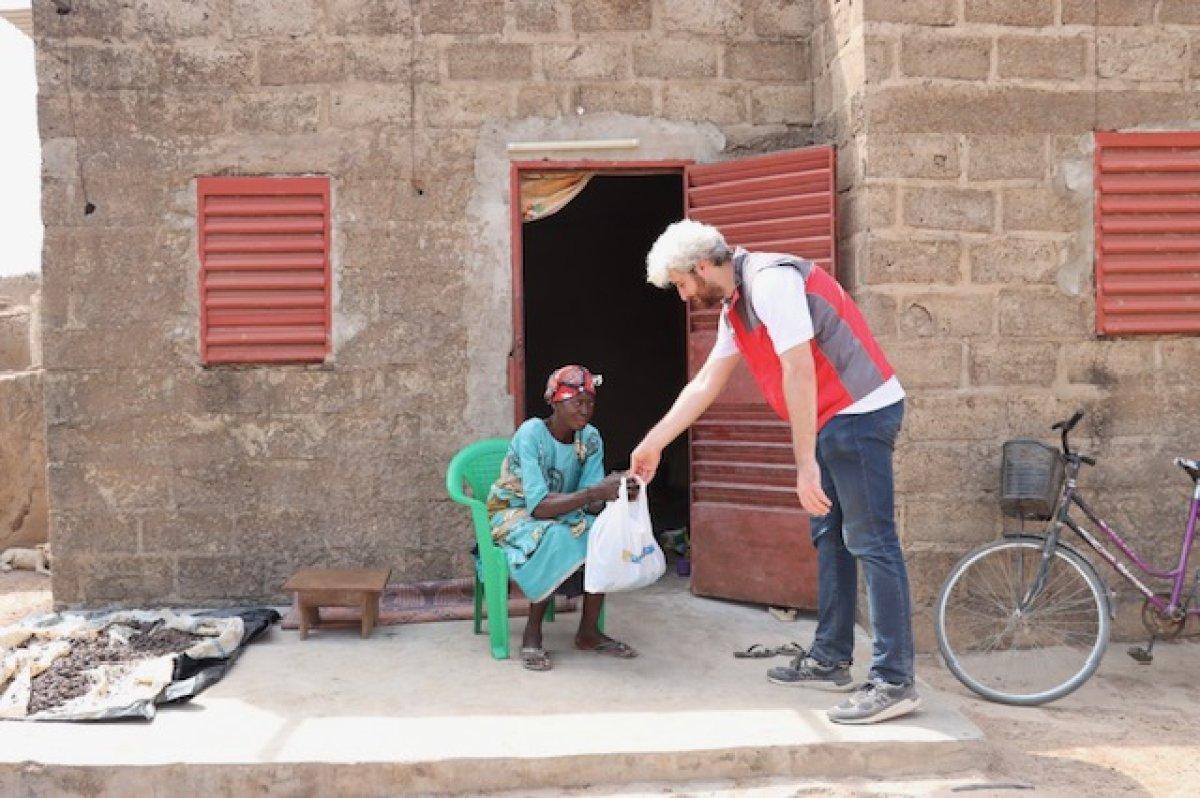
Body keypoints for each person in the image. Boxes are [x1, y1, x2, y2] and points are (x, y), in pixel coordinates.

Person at [629, 220, 917, 724]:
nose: (682, 296)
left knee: (872, 542)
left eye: (680, 284)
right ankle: (831, 657)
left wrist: (804, 464)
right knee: (830, 535)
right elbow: (704, 387)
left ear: (701, 267)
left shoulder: (770, 282)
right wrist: (653, 442)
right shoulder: (736, 308)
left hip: (860, 414)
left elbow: (799, 369)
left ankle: (894, 682)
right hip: (833, 419)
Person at [486, 364, 639, 671]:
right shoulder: (532, 434)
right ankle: (532, 631)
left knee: (602, 534)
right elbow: (539, 507)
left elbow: (591, 502)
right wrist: (595, 493)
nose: (585, 410)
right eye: (577, 402)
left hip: (566, 510)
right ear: (555, 401)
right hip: (516, 515)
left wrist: (617, 490)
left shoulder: (590, 438)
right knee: (553, 536)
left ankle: (588, 632)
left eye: (590, 403)